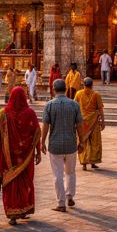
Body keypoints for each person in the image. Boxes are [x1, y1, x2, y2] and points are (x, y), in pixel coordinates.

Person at [0, 87, 42, 226]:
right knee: (26, 182)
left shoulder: (3, 113)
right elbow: (36, 133)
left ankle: (13, 214)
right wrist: (38, 152)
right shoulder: (30, 113)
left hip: (8, 157)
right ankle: (24, 209)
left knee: (10, 183)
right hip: (26, 157)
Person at [41, 79, 84, 213]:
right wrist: (81, 141)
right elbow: (80, 124)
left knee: (58, 174)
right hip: (71, 144)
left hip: (55, 145)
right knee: (70, 172)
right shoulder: (74, 105)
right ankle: (69, 195)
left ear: (54, 89)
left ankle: (61, 203)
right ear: (65, 89)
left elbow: (45, 125)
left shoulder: (49, 105)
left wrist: (42, 141)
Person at [74, 77, 104, 171]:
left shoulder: (78, 93)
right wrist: (103, 121)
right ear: (92, 85)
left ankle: (84, 163)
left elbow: (74, 106)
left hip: (82, 122)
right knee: (95, 141)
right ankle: (93, 161)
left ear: (83, 85)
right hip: (94, 121)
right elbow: (100, 109)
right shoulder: (96, 94)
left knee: (83, 141)